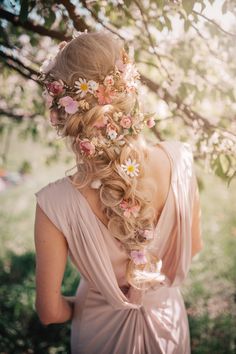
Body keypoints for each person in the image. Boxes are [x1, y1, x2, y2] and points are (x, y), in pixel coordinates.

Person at [34, 30, 203, 354]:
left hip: (98, 331)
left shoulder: (53, 206)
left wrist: (83, 305)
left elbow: (49, 311)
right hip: (167, 321)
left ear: (62, 109)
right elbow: (193, 247)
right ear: (129, 86)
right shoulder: (180, 160)